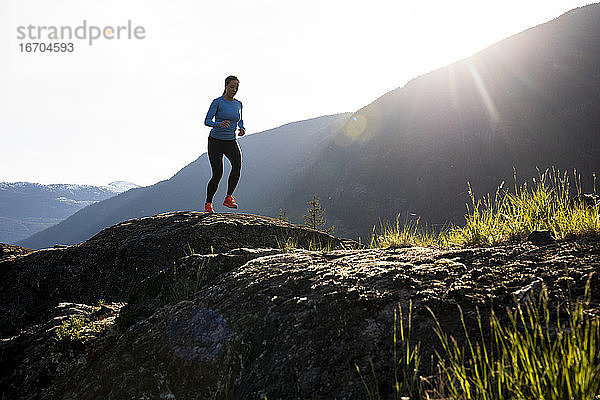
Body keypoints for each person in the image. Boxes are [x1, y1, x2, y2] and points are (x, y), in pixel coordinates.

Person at [203, 75, 246, 213]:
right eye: (232, 87)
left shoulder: (238, 104)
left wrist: (242, 128)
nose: (234, 90)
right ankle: (208, 204)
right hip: (215, 141)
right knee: (218, 173)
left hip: (230, 141)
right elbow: (207, 121)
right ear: (226, 86)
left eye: (236, 88)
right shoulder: (218, 102)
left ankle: (228, 197)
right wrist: (218, 124)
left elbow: (239, 119)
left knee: (237, 165)